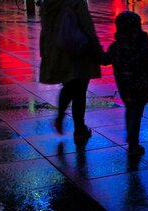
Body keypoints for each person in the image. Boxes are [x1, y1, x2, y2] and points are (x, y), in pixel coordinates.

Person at [101, 11, 148, 155]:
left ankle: (130, 135)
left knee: (130, 109)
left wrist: (96, 53)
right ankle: (133, 144)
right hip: (141, 86)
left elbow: (105, 59)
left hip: (125, 87)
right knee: (137, 112)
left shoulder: (116, 47)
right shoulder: (142, 46)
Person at [39, 0, 102, 138]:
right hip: (77, 48)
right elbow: (86, 25)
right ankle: (79, 129)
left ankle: (61, 118)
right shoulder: (76, 1)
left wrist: (45, 52)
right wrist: (96, 46)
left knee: (68, 85)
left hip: (58, 51)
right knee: (79, 90)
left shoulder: (47, 4)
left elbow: (45, 29)